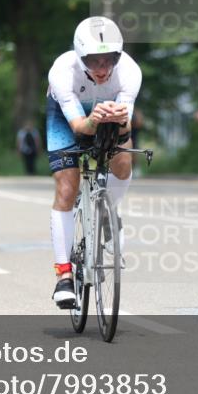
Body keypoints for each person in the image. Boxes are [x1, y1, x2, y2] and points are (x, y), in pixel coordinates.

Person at [46, 16, 141, 308]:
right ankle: (63, 276)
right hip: (69, 118)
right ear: (79, 56)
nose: (102, 69)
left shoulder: (129, 71)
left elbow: (124, 130)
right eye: (94, 61)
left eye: (109, 60)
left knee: (123, 161)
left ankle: (108, 215)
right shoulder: (63, 71)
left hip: (109, 116)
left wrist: (118, 121)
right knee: (67, 187)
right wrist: (93, 119)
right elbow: (78, 126)